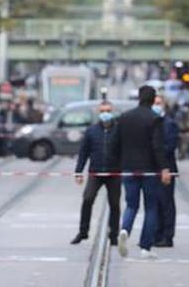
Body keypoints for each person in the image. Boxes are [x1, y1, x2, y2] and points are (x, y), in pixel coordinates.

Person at [109, 85, 171, 259]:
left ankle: (124, 230)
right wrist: (164, 168)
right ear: (153, 100)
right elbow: (157, 146)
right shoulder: (155, 119)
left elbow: (114, 144)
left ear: (138, 97)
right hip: (150, 171)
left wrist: (120, 163)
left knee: (131, 205)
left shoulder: (124, 118)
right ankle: (145, 247)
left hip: (129, 169)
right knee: (151, 208)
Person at [71, 101, 121, 246]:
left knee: (114, 204)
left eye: (108, 110)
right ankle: (83, 232)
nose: (105, 113)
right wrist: (78, 171)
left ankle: (113, 235)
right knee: (87, 199)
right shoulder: (91, 131)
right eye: (102, 111)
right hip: (95, 172)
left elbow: (124, 151)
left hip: (114, 173)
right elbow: (84, 152)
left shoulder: (118, 130)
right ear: (99, 113)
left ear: (112, 112)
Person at [153, 95, 180, 247]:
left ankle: (167, 236)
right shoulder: (150, 122)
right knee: (154, 203)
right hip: (152, 170)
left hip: (167, 169)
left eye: (158, 103)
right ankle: (156, 234)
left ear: (164, 105)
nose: (156, 106)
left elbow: (170, 147)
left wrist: (156, 153)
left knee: (166, 202)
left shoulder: (170, 124)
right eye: (154, 103)